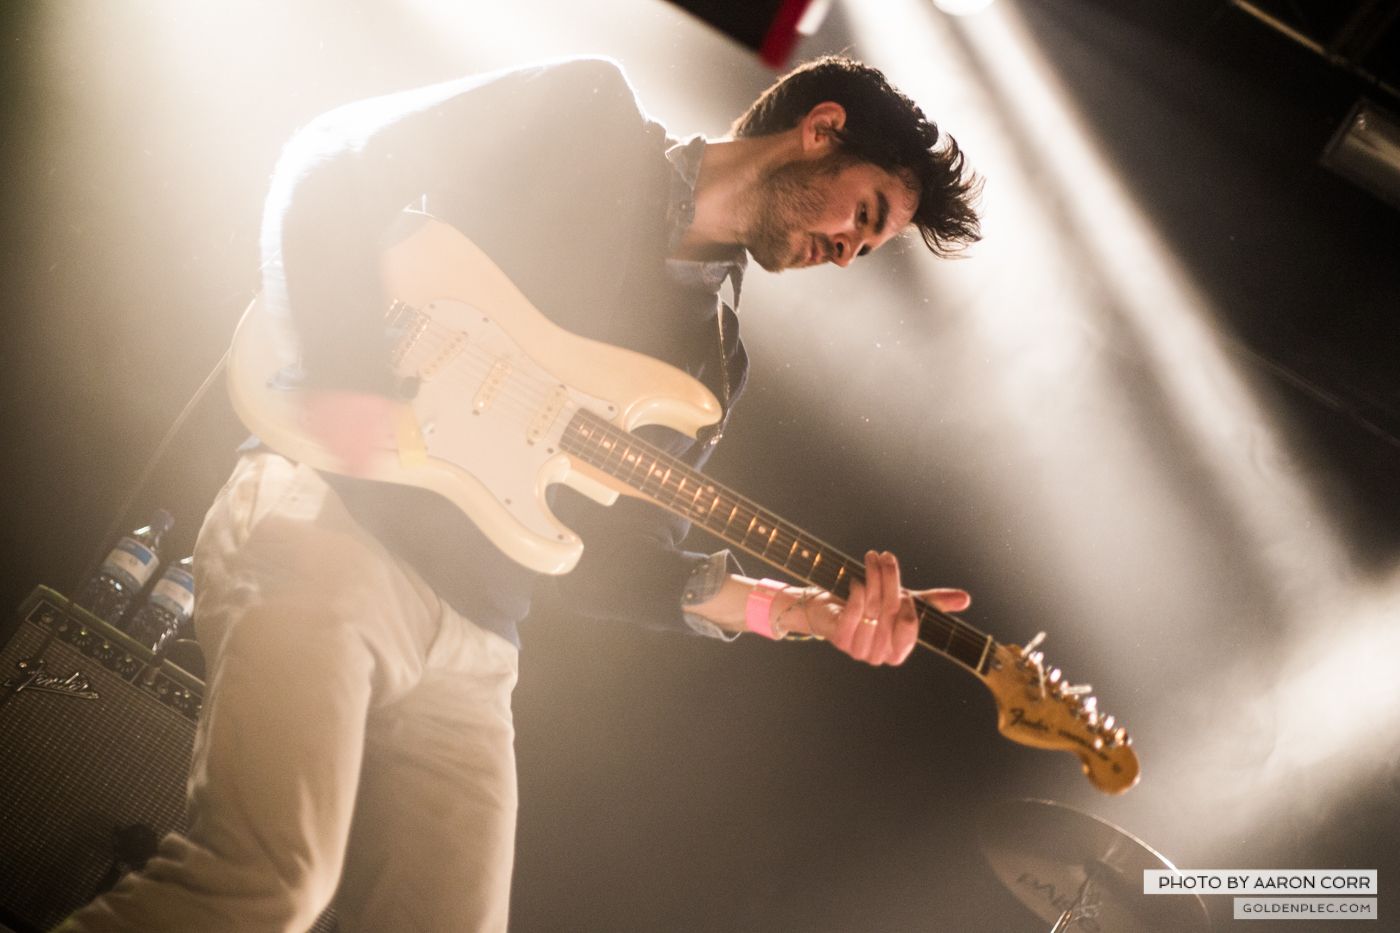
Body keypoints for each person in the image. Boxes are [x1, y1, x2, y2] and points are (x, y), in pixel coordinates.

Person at [58, 54, 982, 933]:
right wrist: (350, 392)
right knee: (265, 882)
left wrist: (806, 614)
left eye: (871, 243)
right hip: (338, 522)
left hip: (478, 642)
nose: (850, 251)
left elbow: (616, 563)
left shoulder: (707, 365)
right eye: (866, 214)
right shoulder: (589, 115)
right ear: (821, 130)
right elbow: (330, 162)